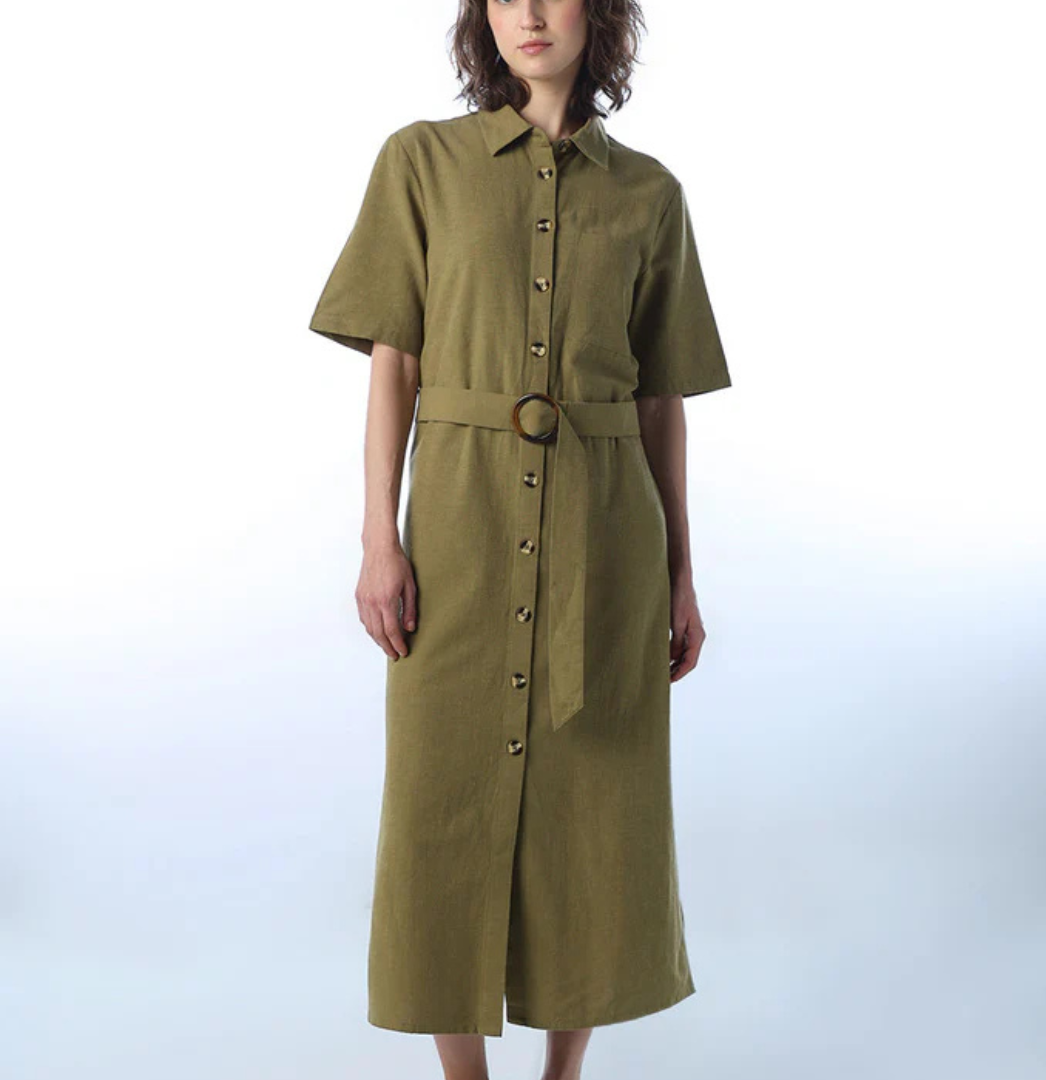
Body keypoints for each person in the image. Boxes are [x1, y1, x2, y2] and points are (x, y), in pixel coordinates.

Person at [307, 1, 732, 1077]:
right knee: (439, 802)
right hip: (458, 530)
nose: (529, 15)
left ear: (602, 14)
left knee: (595, 813)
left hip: (607, 540)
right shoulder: (420, 163)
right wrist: (377, 537)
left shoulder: (651, 195)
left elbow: (661, 402)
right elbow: (394, 363)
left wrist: (682, 573)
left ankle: (562, 1074)